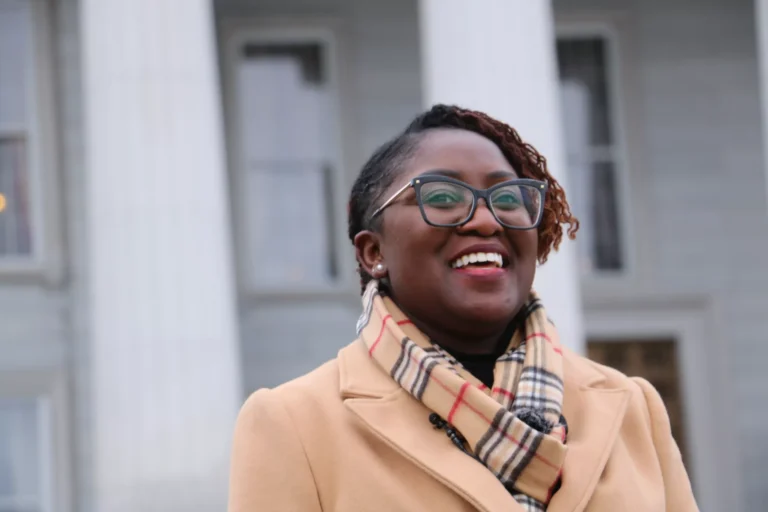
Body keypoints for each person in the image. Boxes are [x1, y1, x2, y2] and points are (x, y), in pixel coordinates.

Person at [227, 105, 698, 512]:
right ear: (374, 253)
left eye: (509, 198)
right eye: (442, 197)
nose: (487, 219)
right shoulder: (295, 423)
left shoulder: (631, 404)